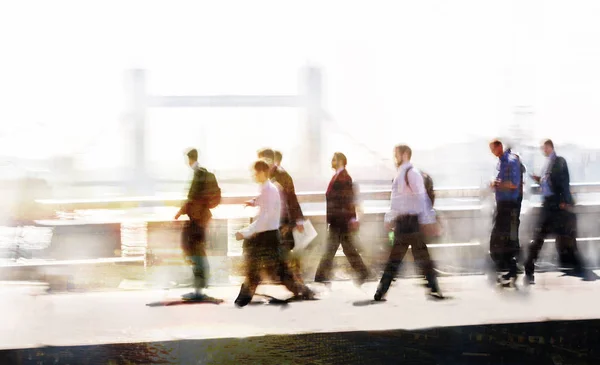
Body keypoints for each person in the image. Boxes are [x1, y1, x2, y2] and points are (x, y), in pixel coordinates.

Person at [234, 160, 315, 307]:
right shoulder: (267, 188)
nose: (254, 175)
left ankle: (304, 291)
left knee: (273, 268)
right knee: (271, 268)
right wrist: (253, 202)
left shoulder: (269, 189)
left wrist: (245, 232)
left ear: (263, 172)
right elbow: (264, 202)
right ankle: (303, 291)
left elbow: (266, 217)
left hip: (268, 235)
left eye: (256, 172)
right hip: (267, 235)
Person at [374, 144, 442, 301]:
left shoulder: (411, 174)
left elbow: (421, 198)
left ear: (405, 154)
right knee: (419, 257)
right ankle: (434, 288)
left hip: (409, 223)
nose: (394, 158)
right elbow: (398, 201)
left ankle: (381, 291)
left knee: (398, 258)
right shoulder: (402, 174)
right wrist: (390, 218)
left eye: (396, 154)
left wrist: (428, 220)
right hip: (408, 223)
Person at [524, 139, 585, 284]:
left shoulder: (559, 161)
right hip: (550, 206)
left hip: (557, 205)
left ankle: (575, 265)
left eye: (544, 148)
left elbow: (564, 182)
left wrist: (565, 201)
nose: (543, 151)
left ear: (550, 147)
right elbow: (549, 182)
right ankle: (529, 267)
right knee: (543, 236)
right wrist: (539, 180)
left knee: (560, 237)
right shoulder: (548, 164)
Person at [314, 152, 369, 287]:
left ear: (341, 161)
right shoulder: (338, 176)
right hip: (339, 219)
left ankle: (320, 276)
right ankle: (363, 272)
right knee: (347, 248)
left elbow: (347, 199)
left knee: (331, 248)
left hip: (340, 220)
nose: (331, 162)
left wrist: (351, 218)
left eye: (334, 160)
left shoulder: (344, 177)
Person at [174, 148, 221, 300]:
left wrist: (181, 211)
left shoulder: (198, 173)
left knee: (194, 251)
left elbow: (193, 197)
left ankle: (199, 289)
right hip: (201, 219)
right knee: (196, 251)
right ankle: (199, 286)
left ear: (189, 158)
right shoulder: (202, 172)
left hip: (197, 220)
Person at [488, 140, 522, 286]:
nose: (492, 152)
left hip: (509, 205)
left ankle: (506, 266)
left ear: (499, 147)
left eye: (493, 149)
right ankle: (510, 268)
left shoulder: (511, 161)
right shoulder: (502, 162)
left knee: (499, 237)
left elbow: (514, 183)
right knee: (505, 237)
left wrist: (497, 184)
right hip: (502, 204)